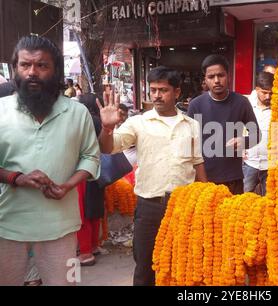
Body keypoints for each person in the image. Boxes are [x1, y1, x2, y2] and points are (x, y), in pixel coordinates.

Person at [0, 35, 100, 286]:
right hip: (6, 225)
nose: (32, 72)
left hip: (62, 227)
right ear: (15, 69)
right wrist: (16, 178)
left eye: (42, 65)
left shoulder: (77, 113)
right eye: (25, 65)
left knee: (67, 283)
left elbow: (90, 157)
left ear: (56, 71)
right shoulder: (0, 110)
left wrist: (67, 186)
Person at [96, 66, 207, 286]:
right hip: (149, 206)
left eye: (163, 90)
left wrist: (207, 196)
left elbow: (197, 163)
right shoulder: (139, 123)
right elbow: (108, 148)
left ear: (177, 92)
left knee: (181, 265)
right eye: (153, 89)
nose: (156, 95)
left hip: (183, 206)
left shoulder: (191, 125)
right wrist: (107, 129)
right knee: (145, 265)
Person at [187, 55, 260, 195]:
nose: (216, 81)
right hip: (204, 179)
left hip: (233, 179)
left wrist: (244, 141)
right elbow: (188, 143)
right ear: (205, 79)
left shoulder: (241, 102)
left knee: (233, 216)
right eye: (211, 76)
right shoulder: (196, 105)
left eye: (221, 75)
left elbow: (256, 134)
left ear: (228, 76)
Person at [76, 93, 106, 266]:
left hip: (84, 171)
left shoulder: (85, 120)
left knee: (83, 213)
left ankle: (86, 252)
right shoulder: (100, 121)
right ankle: (94, 245)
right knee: (93, 211)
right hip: (98, 170)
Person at [243, 71, 274, 196]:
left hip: (271, 165)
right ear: (256, 89)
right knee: (245, 198)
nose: (268, 97)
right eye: (264, 92)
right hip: (250, 162)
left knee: (270, 200)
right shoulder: (246, 104)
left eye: (271, 93)